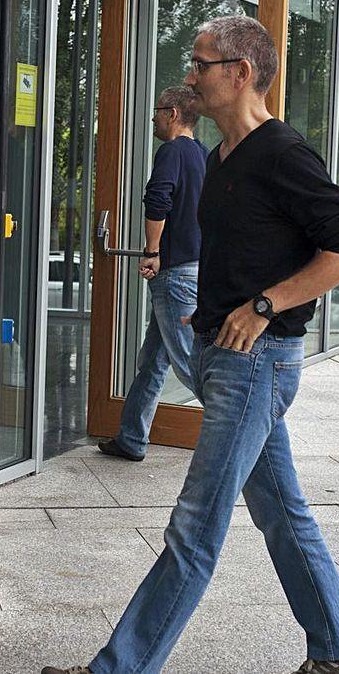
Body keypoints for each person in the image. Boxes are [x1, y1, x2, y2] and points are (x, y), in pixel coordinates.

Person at [44, 15, 339, 674]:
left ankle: (119, 669)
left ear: (240, 73)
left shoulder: (283, 153)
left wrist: (265, 304)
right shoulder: (221, 156)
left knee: (194, 529)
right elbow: (242, 248)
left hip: (256, 365)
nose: (190, 76)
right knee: (283, 512)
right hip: (226, 358)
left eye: (200, 64)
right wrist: (213, 304)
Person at [97, 86, 207, 462]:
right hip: (193, 269)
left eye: (158, 110)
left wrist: (152, 251)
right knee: (154, 361)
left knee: (190, 361)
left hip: (175, 273)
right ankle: (131, 437)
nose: (153, 117)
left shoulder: (173, 151)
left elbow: (159, 198)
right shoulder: (204, 155)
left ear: (173, 113)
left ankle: (244, 432)